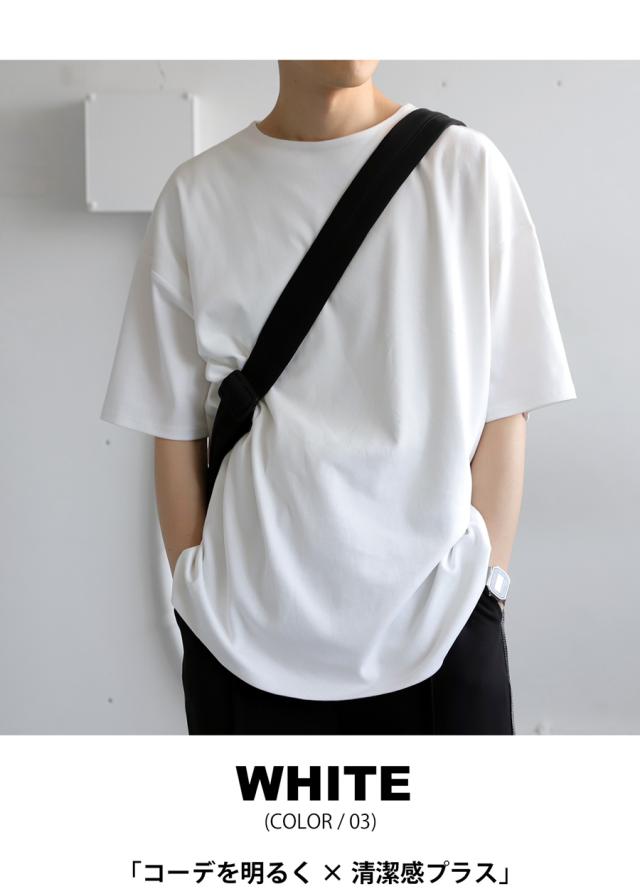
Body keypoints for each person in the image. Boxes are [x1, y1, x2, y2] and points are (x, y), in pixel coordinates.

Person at [100, 60, 577, 735]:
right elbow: (172, 425)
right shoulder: (197, 196)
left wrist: (485, 591)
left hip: (441, 636)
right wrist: (196, 598)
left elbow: (508, 405)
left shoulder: (466, 171)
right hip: (240, 648)